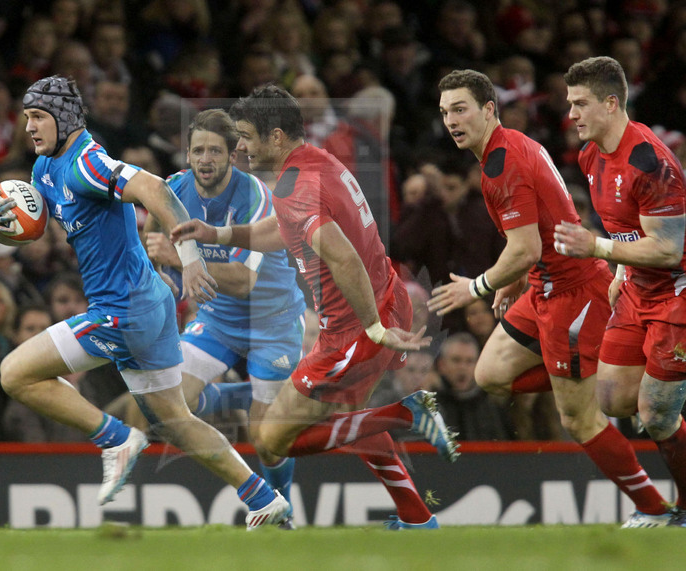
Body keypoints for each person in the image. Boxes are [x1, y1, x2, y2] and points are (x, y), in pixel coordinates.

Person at [0, 75, 288, 529]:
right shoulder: (46, 168)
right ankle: (261, 496)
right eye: (26, 118)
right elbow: (35, 223)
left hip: (122, 312)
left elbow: (154, 189)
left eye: (38, 117)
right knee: (175, 419)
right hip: (150, 303)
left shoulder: (88, 162)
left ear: (62, 118)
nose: (29, 128)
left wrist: (191, 257)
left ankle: (116, 439)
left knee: (14, 374)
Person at [171, 85, 458, 530]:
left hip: (354, 328)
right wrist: (217, 235)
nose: (240, 147)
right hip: (386, 300)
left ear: (277, 136)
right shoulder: (317, 163)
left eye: (246, 136)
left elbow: (341, 256)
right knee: (351, 421)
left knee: (271, 441)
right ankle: (418, 519)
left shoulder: (295, 188)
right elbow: (285, 230)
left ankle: (406, 412)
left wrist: (372, 329)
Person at [428, 69, 671, 527]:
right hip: (542, 286)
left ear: (487, 109)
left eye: (460, 109)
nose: (451, 121)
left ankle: (655, 508)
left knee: (577, 420)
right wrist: (514, 279)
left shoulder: (503, 163)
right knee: (490, 374)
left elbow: (525, 248)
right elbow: (532, 236)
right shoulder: (506, 147)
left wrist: (476, 286)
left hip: (573, 296)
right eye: (444, 113)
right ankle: (593, 374)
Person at [144, 108, 306, 527]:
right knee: (169, 402)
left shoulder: (254, 196)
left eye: (215, 150)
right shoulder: (174, 190)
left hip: (273, 321)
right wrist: (163, 269)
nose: (205, 159)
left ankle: (283, 514)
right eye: (198, 150)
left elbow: (242, 282)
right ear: (188, 155)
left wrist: (179, 263)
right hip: (217, 321)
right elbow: (154, 242)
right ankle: (264, 498)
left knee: (267, 441)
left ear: (233, 154)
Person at [554, 56, 686, 526]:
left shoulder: (650, 162)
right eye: (570, 103)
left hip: (676, 293)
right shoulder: (591, 154)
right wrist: (617, 271)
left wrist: (597, 248)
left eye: (581, 103)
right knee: (611, 399)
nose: (571, 113)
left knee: (657, 413)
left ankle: (684, 511)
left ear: (612, 103)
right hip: (634, 287)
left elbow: (669, 251)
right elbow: (627, 229)